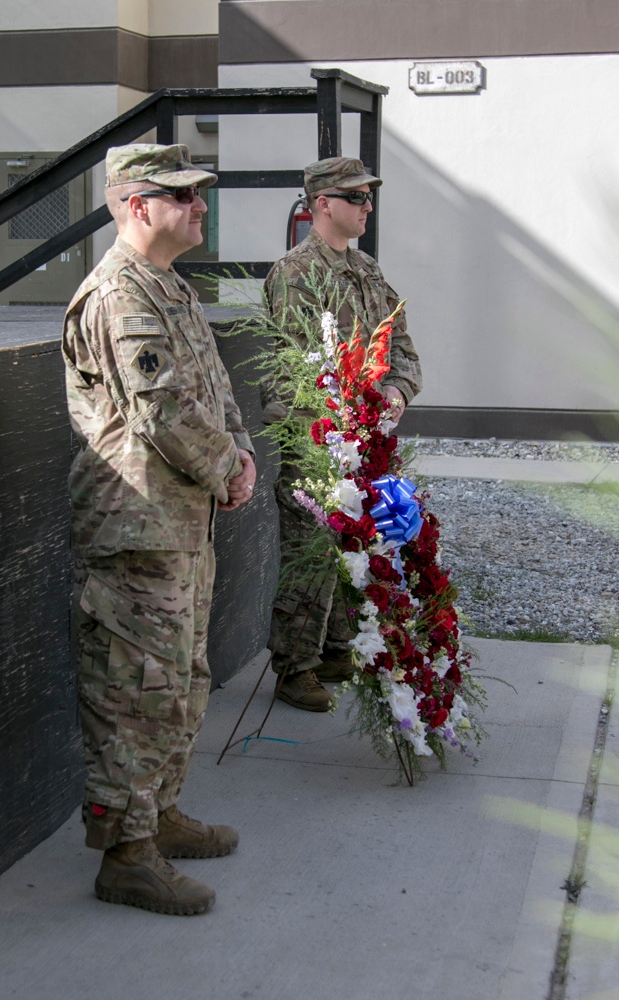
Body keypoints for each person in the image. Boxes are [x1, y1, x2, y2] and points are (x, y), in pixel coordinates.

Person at [62, 143, 256, 916]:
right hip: (137, 527)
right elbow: (163, 412)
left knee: (182, 682)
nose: (200, 206)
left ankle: (162, 814)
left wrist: (237, 454)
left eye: (201, 194)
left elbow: (215, 391)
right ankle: (126, 855)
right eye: (183, 195)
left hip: (182, 523)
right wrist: (226, 468)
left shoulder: (169, 288)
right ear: (136, 206)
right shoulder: (120, 296)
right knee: (136, 691)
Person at [263, 156, 422, 712]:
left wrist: (397, 392)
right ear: (322, 205)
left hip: (367, 440)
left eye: (369, 197)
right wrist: (347, 418)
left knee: (357, 543)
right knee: (312, 550)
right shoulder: (296, 272)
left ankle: (334, 649)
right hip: (317, 437)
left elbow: (401, 345)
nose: (367, 207)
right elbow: (299, 367)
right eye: (356, 198)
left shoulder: (367, 270)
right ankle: (294, 666)